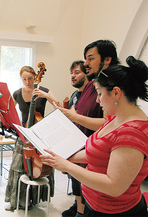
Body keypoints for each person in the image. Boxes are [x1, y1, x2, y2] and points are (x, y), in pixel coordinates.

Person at [41, 56, 148, 217]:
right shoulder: (115, 118)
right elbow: (96, 153)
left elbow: (114, 186)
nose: (97, 100)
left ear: (116, 93)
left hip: (115, 212)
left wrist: (67, 166)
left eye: (99, 93)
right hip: (94, 204)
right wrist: (64, 157)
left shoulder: (132, 133)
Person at [57, 39, 119, 217]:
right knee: (82, 196)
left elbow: (108, 123)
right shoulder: (92, 85)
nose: (86, 63)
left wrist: (75, 116)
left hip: (98, 160)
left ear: (106, 60)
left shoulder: (112, 89)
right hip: (84, 149)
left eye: (91, 58)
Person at [4, 65, 55, 211]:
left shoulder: (43, 90)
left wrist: (46, 96)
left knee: (39, 166)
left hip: (41, 135)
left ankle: (36, 199)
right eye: (24, 79)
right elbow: (9, 112)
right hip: (24, 135)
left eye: (30, 79)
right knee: (18, 167)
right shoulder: (17, 94)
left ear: (35, 77)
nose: (28, 82)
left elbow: (58, 105)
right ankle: (15, 201)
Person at [62, 60, 89, 217]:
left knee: (82, 180)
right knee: (74, 178)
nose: (73, 76)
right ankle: (77, 204)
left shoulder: (90, 95)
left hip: (86, 144)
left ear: (86, 74)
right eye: (71, 73)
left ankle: (81, 210)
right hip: (74, 144)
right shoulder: (74, 95)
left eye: (77, 72)